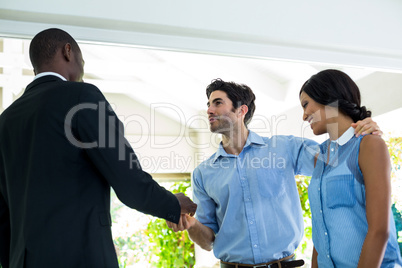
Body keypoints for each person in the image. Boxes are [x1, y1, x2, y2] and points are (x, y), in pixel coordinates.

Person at [0, 28, 197, 268]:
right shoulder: (82, 96)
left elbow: (3, 210)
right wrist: (172, 204)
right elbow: (127, 178)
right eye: (82, 57)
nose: (83, 65)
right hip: (79, 258)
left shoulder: (6, 119)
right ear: (68, 51)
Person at [167, 78, 380, 267]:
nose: (209, 110)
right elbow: (208, 241)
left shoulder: (284, 148)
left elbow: (336, 157)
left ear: (242, 111)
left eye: (218, 103)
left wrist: (361, 131)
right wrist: (191, 224)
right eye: (208, 105)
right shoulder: (203, 173)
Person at [299, 69, 402, 268]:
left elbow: (380, 230)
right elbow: (321, 233)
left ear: (328, 98)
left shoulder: (369, 145)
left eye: (305, 104)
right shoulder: (320, 157)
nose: (303, 116)